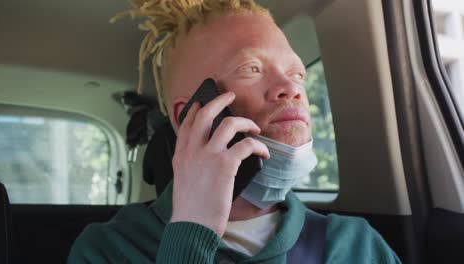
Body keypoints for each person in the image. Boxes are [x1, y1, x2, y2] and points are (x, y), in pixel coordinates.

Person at [68, 0, 401, 263]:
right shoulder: (109, 250)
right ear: (190, 114)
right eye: (251, 69)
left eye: (297, 73)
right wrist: (191, 233)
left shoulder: (357, 245)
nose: (291, 87)